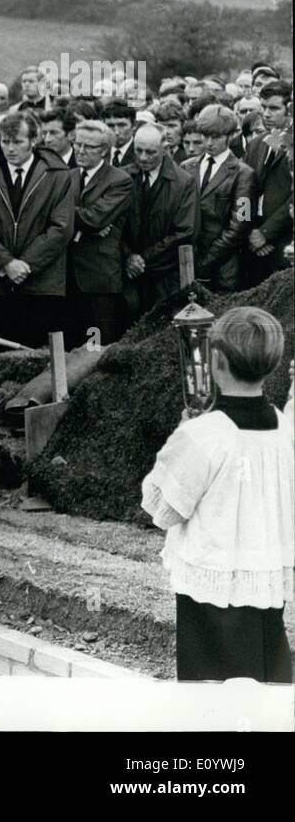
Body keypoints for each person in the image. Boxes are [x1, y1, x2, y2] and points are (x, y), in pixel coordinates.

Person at [141, 307, 292, 682]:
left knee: (212, 704)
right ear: (271, 364)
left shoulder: (204, 433)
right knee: (265, 692)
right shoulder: (285, 428)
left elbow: (163, 509)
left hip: (211, 597)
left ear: (216, 360)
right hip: (265, 584)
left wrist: (180, 436)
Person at [0, 111, 76, 349]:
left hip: (43, 284)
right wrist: (6, 263)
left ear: (33, 141)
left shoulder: (58, 176)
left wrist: (25, 265)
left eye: (18, 142)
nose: (10, 148)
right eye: (6, 141)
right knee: (1, 353)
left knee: (40, 355)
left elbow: (61, 228)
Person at [65, 120, 132, 349]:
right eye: (77, 144)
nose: (80, 151)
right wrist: (84, 222)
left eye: (89, 147)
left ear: (104, 150)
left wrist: (65, 215)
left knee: (99, 346)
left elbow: (96, 219)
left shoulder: (119, 180)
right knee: (72, 345)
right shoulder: (68, 176)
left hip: (99, 278)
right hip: (67, 276)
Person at [192, 104, 257, 293]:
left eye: (216, 137)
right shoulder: (187, 167)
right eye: (205, 136)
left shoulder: (244, 174)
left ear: (231, 136)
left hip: (224, 270)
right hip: (187, 262)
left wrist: (204, 262)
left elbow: (240, 226)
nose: (209, 143)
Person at [242, 83, 292, 287]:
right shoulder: (256, 144)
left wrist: (266, 233)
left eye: (274, 108)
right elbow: (242, 191)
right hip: (253, 243)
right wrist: (248, 229)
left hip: (285, 241)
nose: (266, 114)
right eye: (264, 107)